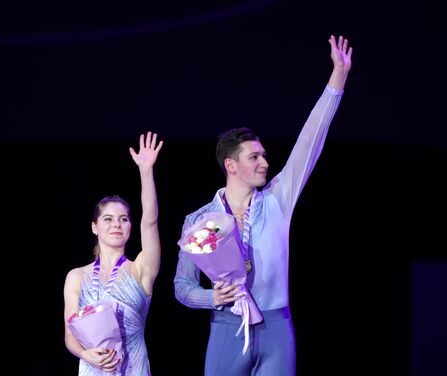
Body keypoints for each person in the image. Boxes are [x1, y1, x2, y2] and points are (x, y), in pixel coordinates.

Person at [174, 35, 353, 375]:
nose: (264, 163)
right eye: (254, 156)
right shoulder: (197, 220)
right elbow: (181, 287)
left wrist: (338, 78)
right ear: (231, 165)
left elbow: (309, 140)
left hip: (277, 331)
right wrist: (212, 298)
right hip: (227, 330)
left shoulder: (277, 200)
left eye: (264, 156)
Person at [63, 131, 163, 375]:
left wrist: (146, 171)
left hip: (134, 368)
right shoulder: (76, 276)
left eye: (124, 219)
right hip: (92, 367)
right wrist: (86, 354)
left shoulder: (141, 268)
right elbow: (69, 334)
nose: (117, 224)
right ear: (95, 227)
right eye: (108, 219)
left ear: (130, 226)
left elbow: (150, 220)